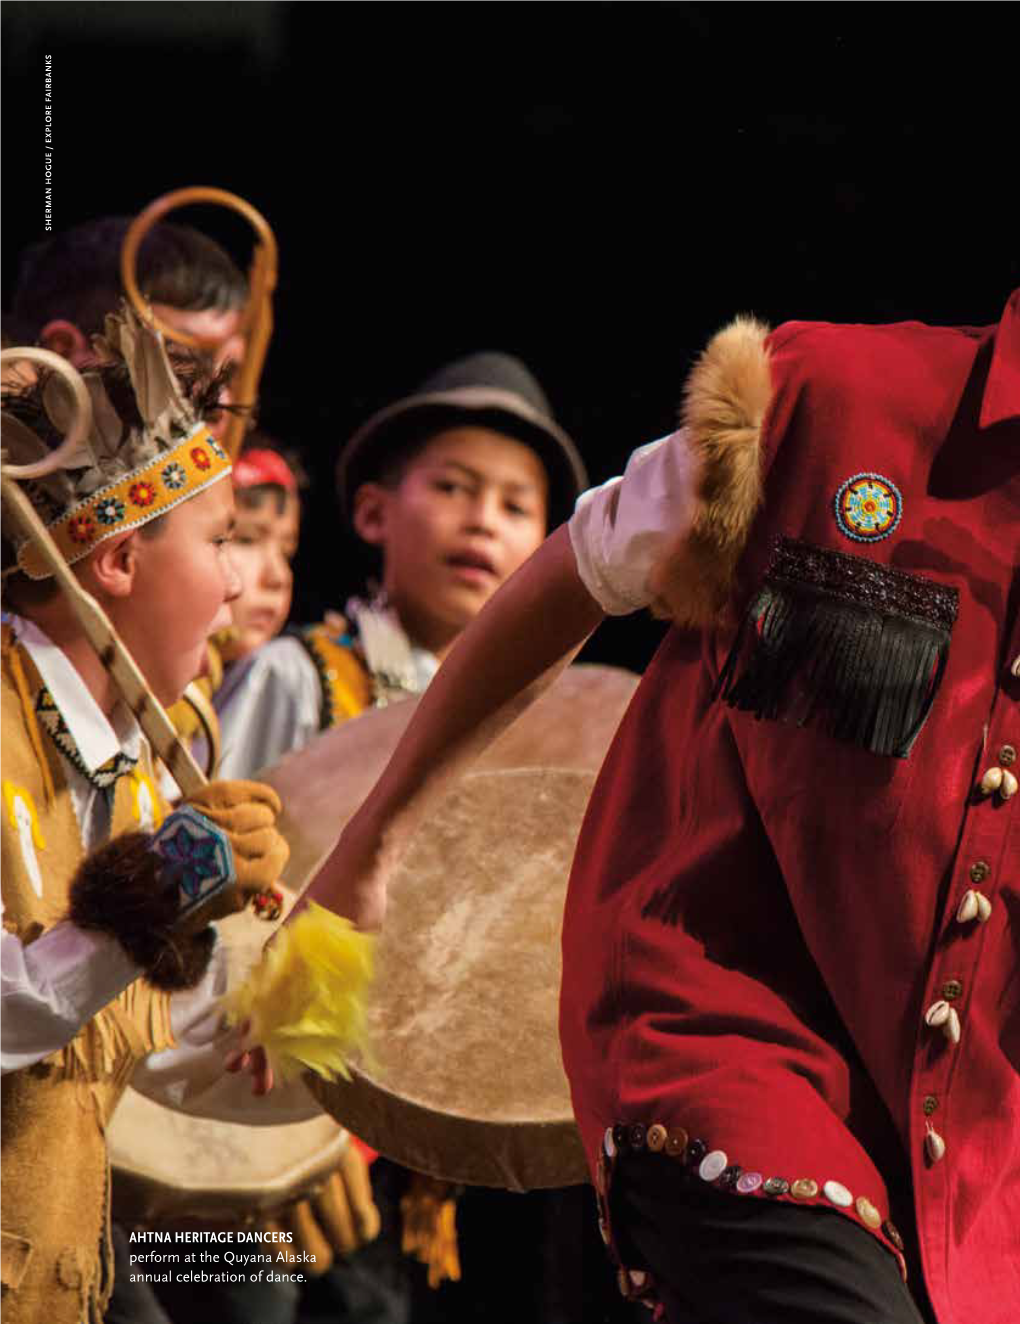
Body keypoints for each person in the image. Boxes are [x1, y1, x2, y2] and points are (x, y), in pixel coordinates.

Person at [282, 293, 1020, 1324]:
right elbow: (578, 570)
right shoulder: (824, 403)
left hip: (970, 1153)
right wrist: (371, 847)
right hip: (721, 1030)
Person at [0, 309, 315, 1324]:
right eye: (222, 539)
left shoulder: (145, 759)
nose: (239, 578)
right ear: (121, 561)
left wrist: (267, 1024)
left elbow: (100, 1039)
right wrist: (156, 894)